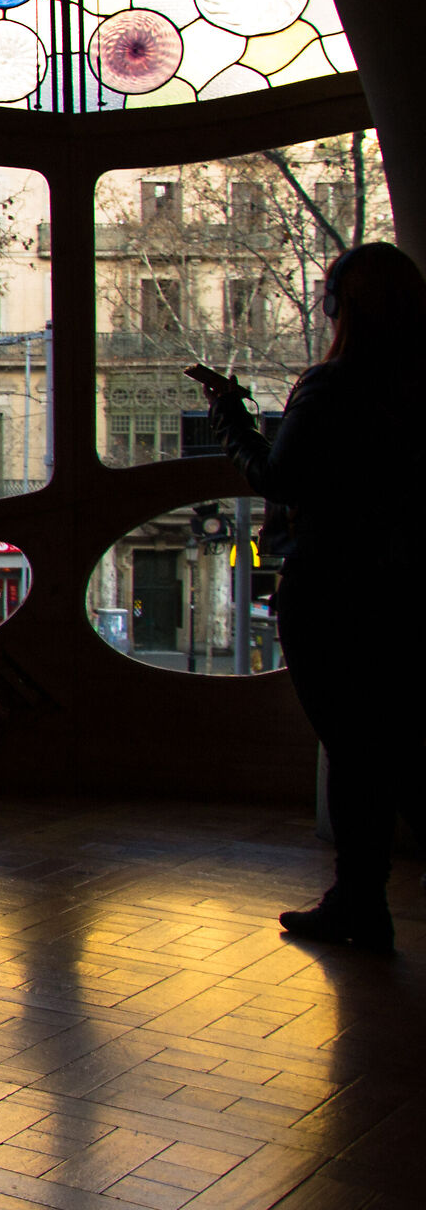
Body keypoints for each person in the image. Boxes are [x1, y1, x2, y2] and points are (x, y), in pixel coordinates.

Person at [210, 242, 426, 951]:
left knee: (356, 749)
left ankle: (360, 903)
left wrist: (233, 423)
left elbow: (278, 475)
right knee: (396, 745)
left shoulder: (332, 387)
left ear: (340, 307)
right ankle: (362, 901)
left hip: (334, 587)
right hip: (406, 590)